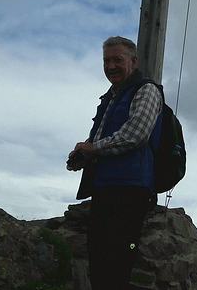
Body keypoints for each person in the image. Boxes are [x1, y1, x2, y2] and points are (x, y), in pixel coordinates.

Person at [66, 36, 163, 290]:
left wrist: (93, 148)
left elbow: (135, 135)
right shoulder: (110, 98)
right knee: (100, 263)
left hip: (130, 190)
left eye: (117, 60)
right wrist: (83, 154)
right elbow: (102, 140)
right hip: (105, 188)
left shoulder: (147, 90)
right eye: (106, 61)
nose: (110, 66)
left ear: (134, 61)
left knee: (117, 264)